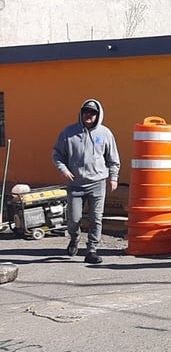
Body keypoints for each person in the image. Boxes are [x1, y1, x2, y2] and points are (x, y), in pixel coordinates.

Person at [52, 98, 121, 264]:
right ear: (81, 113)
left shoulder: (105, 134)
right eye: (86, 111)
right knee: (74, 219)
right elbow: (57, 154)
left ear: (98, 115)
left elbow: (113, 159)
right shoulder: (68, 133)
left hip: (97, 183)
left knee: (96, 218)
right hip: (75, 184)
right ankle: (74, 238)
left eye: (93, 113)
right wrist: (63, 169)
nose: (89, 115)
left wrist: (113, 177)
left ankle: (92, 250)